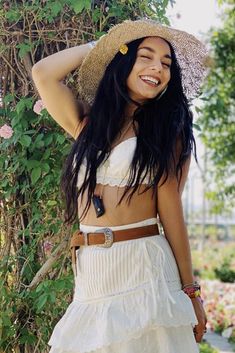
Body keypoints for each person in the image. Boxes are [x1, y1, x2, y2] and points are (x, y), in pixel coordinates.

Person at [32, 19, 207, 353]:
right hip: (92, 273)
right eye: (146, 56)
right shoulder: (88, 124)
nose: (158, 68)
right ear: (123, 60)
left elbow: (171, 209)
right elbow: (43, 73)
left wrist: (190, 291)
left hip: (144, 267)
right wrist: (103, 47)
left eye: (166, 64)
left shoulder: (167, 129)